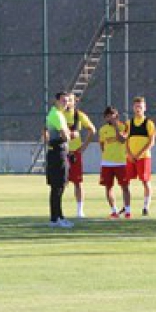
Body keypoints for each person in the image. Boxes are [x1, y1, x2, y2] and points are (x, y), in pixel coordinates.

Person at [64, 94, 96, 218]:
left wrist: (84, 146)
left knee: (77, 182)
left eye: (70, 100)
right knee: (60, 182)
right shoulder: (59, 115)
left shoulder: (79, 115)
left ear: (74, 102)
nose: (67, 102)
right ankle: (58, 209)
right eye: (66, 100)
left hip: (75, 153)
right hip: (62, 152)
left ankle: (79, 210)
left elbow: (92, 130)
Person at [125, 96, 156, 218]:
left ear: (144, 108)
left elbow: (151, 141)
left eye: (140, 107)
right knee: (126, 182)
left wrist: (139, 154)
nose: (138, 109)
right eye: (136, 106)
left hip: (143, 158)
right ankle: (127, 208)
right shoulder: (129, 123)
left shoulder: (149, 123)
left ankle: (146, 206)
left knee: (145, 181)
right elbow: (126, 141)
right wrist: (129, 154)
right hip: (130, 158)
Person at [45, 92, 73, 228]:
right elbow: (65, 136)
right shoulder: (56, 115)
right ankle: (55, 219)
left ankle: (59, 216)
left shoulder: (59, 114)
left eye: (67, 101)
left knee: (59, 186)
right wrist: (71, 134)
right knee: (58, 187)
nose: (65, 103)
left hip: (58, 152)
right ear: (56, 101)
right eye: (63, 100)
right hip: (57, 153)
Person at [98, 106, 129, 219]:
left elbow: (122, 140)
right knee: (108, 187)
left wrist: (116, 128)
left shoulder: (124, 126)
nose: (110, 118)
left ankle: (127, 211)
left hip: (121, 162)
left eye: (112, 115)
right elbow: (102, 145)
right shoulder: (102, 129)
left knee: (125, 187)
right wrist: (107, 155)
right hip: (107, 163)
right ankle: (114, 210)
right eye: (108, 116)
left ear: (117, 116)